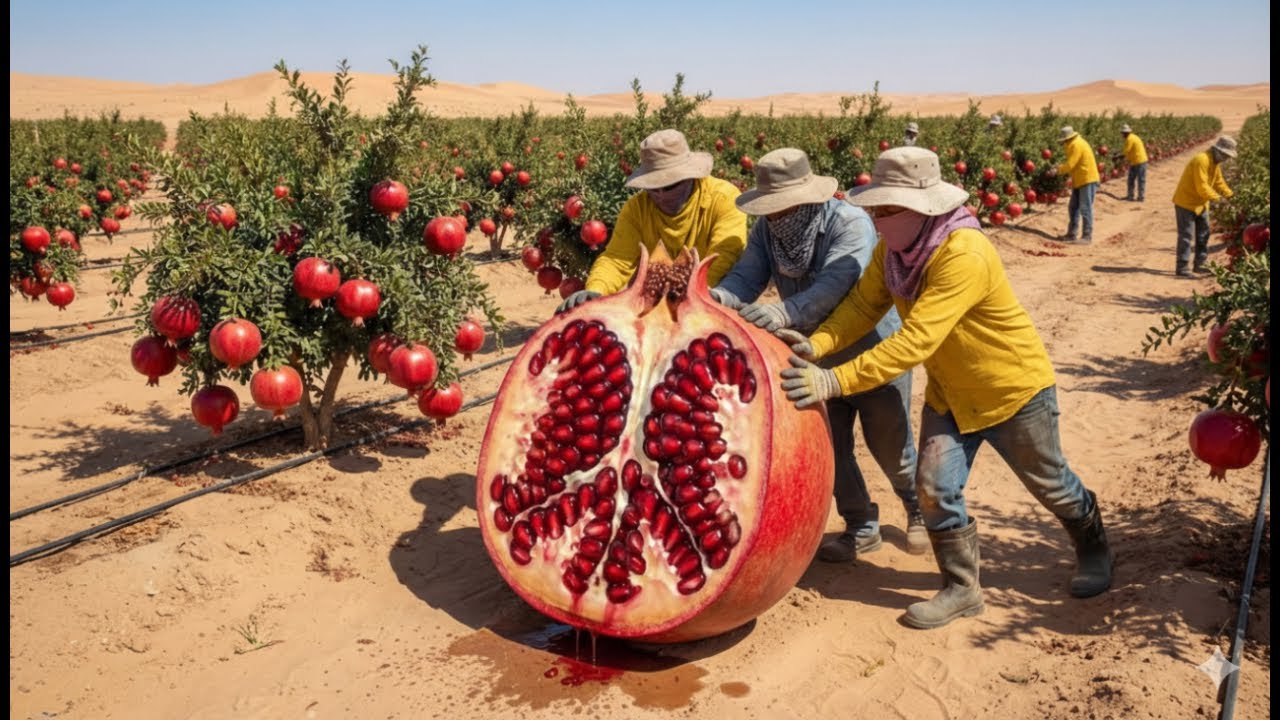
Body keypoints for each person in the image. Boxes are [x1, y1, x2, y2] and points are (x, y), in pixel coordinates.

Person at [774, 147, 1114, 629]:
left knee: (1051, 484)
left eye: (886, 209)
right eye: (875, 206)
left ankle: (1093, 545)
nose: (875, 216)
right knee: (934, 486)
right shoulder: (892, 254)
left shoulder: (963, 253)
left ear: (923, 209)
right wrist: (816, 344)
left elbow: (915, 340)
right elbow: (861, 309)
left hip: (1010, 393)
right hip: (951, 396)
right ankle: (961, 588)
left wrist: (833, 380)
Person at [712, 148, 927, 560]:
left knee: (890, 444)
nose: (775, 216)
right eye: (769, 209)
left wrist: (783, 312)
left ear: (808, 197)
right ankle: (861, 524)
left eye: (781, 207)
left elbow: (839, 283)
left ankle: (917, 509)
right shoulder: (766, 232)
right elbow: (745, 278)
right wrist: (713, 298)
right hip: (813, 354)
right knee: (830, 448)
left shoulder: (849, 223)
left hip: (870, 353)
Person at [557, 129, 747, 312]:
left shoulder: (724, 199)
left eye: (670, 186)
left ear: (691, 176)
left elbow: (724, 255)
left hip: (714, 301)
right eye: (653, 187)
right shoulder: (636, 209)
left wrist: (693, 295)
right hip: (656, 305)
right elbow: (616, 260)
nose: (661, 196)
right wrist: (595, 290)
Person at [1172, 136, 1236, 277]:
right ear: (1217, 151)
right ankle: (1182, 267)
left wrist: (1232, 196)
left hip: (1201, 204)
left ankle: (1200, 264)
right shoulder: (1201, 160)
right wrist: (1218, 199)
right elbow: (1202, 186)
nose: (1226, 158)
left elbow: (1219, 182)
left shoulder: (1214, 163)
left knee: (1203, 234)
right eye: (1225, 155)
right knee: (1186, 236)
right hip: (1186, 203)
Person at [1054, 125, 1100, 244]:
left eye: (1063, 141)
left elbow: (1071, 164)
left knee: (1085, 208)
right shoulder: (1074, 143)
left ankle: (1087, 236)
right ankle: (1072, 234)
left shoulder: (1076, 144)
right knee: (1073, 207)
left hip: (1087, 179)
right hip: (1079, 180)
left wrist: (1057, 171)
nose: (1063, 144)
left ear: (1067, 139)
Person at [1117, 123, 1148, 202]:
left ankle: (1140, 197)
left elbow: (1125, 152)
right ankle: (1131, 196)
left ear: (1125, 133)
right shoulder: (1133, 137)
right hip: (1135, 161)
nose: (1122, 135)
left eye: (1122, 133)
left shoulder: (1130, 139)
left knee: (1140, 179)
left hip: (1140, 161)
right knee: (1132, 179)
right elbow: (1126, 151)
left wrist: (1117, 157)